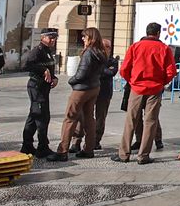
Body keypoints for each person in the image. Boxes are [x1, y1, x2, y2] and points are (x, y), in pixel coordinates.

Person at [118, 22, 177, 164]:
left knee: (131, 120)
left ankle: (124, 154)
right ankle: (143, 155)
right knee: (150, 122)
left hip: (137, 88)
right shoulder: (164, 48)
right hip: (155, 88)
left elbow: (124, 69)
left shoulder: (135, 47)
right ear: (158, 33)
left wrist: (132, 81)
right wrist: (162, 82)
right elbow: (171, 71)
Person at [57, 28, 105, 160]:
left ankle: (62, 151)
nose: (83, 39)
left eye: (85, 37)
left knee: (70, 118)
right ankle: (89, 149)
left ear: (91, 38)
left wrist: (71, 80)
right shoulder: (100, 52)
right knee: (89, 118)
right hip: (94, 87)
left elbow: (82, 73)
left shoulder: (89, 53)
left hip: (82, 89)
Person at [21, 29, 62, 160]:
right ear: (43, 37)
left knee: (34, 116)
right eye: (50, 37)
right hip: (36, 87)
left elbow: (49, 68)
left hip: (43, 88)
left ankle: (27, 146)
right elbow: (26, 65)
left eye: (55, 37)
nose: (53, 40)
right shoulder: (37, 51)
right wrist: (43, 70)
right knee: (41, 117)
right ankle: (42, 147)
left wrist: (54, 77)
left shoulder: (48, 51)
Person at [89, 51, 120, 152]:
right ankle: (77, 141)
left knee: (100, 117)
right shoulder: (93, 56)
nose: (106, 49)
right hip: (91, 89)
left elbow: (111, 72)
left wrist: (100, 69)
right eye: (105, 46)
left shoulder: (112, 60)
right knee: (84, 115)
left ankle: (96, 141)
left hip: (104, 92)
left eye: (108, 47)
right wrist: (104, 69)